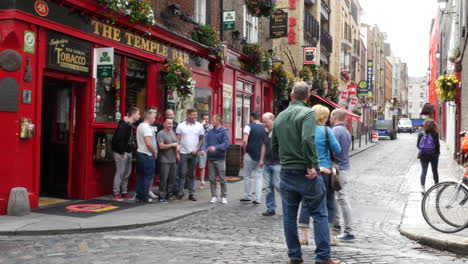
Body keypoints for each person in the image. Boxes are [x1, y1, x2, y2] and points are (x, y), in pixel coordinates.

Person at [272, 82, 340, 264]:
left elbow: (274, 145)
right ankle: (323, 257)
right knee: (319, 212)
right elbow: (307, 140)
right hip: (306, 171)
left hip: (287, 171)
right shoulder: (308, 113)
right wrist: (310, 165)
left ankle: (294, 254)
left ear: (292, 96)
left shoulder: (280, 116)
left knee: (289, 215)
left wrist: (286, 159)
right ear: (307, 97)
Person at [298, 105, 341, 246]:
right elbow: (337, 149)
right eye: (327, 116)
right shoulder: (327, 131)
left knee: (306, 202)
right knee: (329, 203)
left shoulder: (306, 130)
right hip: (326, 172)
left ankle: (303, 236)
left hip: (310, 171)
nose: (328, 118)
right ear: (323, 117)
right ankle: (330, 237)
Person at [330, 109, 355, 241]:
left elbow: (334, 150)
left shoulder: (335, 131)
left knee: (342, 199)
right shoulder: (345, 131)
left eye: (331, 116)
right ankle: (336, 224)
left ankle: (349, 231)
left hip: (338, 169)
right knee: (336, 197)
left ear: (334, 117)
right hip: (344, 168)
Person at [111, 107, 140, 201]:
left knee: (127, 173)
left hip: (128, 151)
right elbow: (119, 139)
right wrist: (121, 151)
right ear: (133, 114)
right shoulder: (123, 125)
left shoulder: (131, 124)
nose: (139, 116)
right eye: (138, 114)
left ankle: (124, 192)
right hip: (122, 152)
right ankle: (116, 193)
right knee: (120, 172)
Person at [176, 108, 205, 201]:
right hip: (183, 153)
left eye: (196, 115)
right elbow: (178, 139)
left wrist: (197, 149)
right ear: (188, 115)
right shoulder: (180, 125)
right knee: (182, 173)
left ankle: (191, 193)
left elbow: (201, 139)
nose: (195, 116)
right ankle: (180, 192)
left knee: (191, 174)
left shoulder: (200, 126)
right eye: (193, 115)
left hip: (194, 153)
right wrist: (177, 151)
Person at [200, 114, 230, 204]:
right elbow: (205, 142)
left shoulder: (224, 131)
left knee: (222, 178)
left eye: (213, 120)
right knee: (212, 178)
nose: (211, 121)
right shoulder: (209, 131)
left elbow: (226, 144)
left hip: (220, 158)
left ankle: (224, 196)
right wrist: (203, 150)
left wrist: (215, 147)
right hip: (211, 158)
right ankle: (214, 196)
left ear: (218, 121)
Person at [240, 111, 266, 205]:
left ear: (251, 117)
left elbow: (244, 141)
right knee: (259, 177)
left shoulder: (248, 126)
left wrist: (244, 150)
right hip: (261, 156)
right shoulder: (264, 127)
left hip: (250, 154)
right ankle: (258, 198)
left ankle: (248, 196)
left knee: (247, 176)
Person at [259, 112, 281, 216]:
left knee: (278, 185)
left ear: (272, 120)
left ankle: (287, 206)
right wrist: (261, 159)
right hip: (267, 162)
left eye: (265, 121)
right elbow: (263, 145)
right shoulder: (265, 131)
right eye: (263, 122)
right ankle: (271, 208)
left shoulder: (280, 130)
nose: (264, 124)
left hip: (278, 162)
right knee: (268, 187)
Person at [135, 109, 158, 203]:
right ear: (150, 117)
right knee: (147, 177)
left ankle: (139, 195)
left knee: (141, 176)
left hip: (140, 153)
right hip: (146, 155)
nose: (154, 120)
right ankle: (145, 196)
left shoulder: (140, 126)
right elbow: (148, 143)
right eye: (154, 117)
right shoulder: (147, 128)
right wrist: (154, 151)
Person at [157, 119, 179, 203]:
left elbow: (176, 143)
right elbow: (161, 146)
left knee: (172, 178)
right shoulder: (161, 133)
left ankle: (169, 195)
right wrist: (172, 145)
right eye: (169, 123)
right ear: (164, 124)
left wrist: (177, 153)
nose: (171, 125)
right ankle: (161, 196)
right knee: (163, 179)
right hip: (164, 160)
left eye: (172, 123)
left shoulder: (172, 132)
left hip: (173, 159)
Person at [417, 119, 440, 194]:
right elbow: (437, 145)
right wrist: (437, 153)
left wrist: (424, 149)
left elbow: (418, 145)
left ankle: (422, 188)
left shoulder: (421, 134)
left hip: (423, 155)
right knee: (434, 171)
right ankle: (436, 187)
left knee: (424, 171)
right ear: (433, 126)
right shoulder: (435, 134)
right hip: (433, 155)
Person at [198, 113, 213, 189]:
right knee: (202, 166)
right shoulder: (198, 126)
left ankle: (214, 182)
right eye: (204, 119)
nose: (206, 120)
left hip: (209, 148)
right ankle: (202, 181)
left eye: (207, 119)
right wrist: (201, 125)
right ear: (201, 119)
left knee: (213, 165)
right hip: (201, 149)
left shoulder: (211, 126)